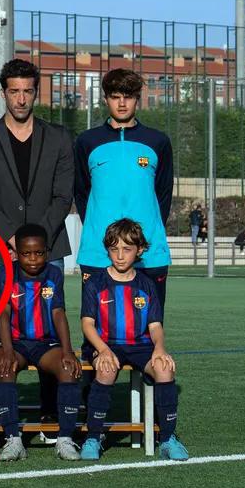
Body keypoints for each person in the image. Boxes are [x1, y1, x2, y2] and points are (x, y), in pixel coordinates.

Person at [0, 60, 75, 435]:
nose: (21, 98)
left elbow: (64, 197)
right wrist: (13, 237)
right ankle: (2, 416)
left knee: (48, 327)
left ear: (36, 92)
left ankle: (51, 415)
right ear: (3, 94)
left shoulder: (60, 138)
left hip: (49, 250)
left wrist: (36, 242)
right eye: (14, 91)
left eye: (28, 90)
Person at [79, 218, 188, 461]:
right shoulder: (95, 282)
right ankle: (93, 438)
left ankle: (168, 438)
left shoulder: (147, 285)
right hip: (106, 344)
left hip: (140, 346)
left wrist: (160, 348)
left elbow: (155, 326)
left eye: (126, 249)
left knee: (164, 368)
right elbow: (87, 324)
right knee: (106, 370)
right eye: (113, 249)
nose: (119, 256)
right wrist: (102, 350)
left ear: (139, 250)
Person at [74, 68, 173, 309]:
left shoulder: (157, 141)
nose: (121, 103)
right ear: (105, 98)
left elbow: (163, 195)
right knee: (96, 330)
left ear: (137, 99)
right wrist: (101, 227)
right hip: (98, 251)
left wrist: (145, 232)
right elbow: (81, 192)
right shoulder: (87, 141)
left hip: (148, 254)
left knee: (149, 327)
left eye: (128, 97)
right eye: (115, 96)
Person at [0, 224, 83, 461]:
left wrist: (68, 351)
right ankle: (13, 439)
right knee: (3, 366)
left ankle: (64, 439)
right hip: (16, 343)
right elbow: (3, 313)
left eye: (39, 253)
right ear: (16, 252)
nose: (33, 259)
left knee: (68, 370)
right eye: (26, 253)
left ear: (47, 252)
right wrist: (8, 349)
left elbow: (58, 313)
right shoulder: (6, 273)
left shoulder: (53, 273)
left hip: (45, 343)